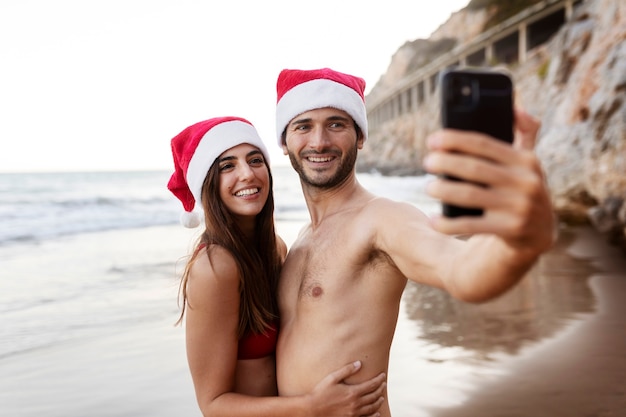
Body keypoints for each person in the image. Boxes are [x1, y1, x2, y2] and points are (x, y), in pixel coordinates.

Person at [273, 68, 555, 416]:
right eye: (303, 126)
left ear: (360, 136)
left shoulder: (382, 218)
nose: (319, 141)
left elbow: (460, 269)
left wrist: (518, 242)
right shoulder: (298, 243)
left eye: (336, 124)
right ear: (284, 142)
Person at [167, 116, 386, 417]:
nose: (247, 174)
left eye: (255, 160)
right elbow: (212, 404)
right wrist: (313, 406)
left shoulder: (276, 248)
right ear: (208, 183)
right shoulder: (215, 267)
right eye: (227, 166)